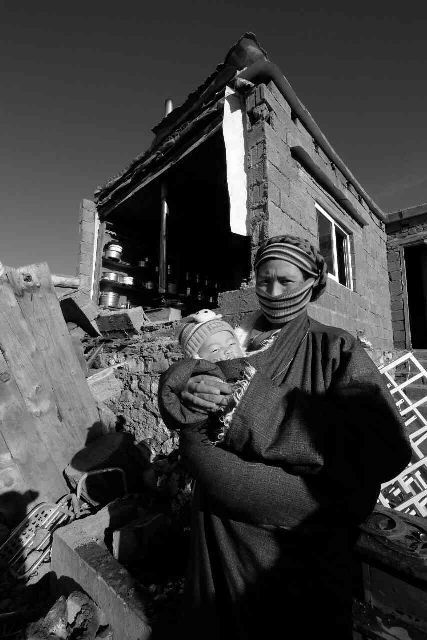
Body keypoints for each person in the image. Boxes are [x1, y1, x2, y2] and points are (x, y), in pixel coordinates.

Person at [158, 234, 411, 640]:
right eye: (265, 281)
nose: (274, 293)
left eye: (286, 281)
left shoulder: (334, 348)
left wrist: (251, 411)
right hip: (218, 538)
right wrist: (185, 378)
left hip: (291, 557)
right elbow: (189, 389)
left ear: (313, 283)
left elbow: (385, 449)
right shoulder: (235, 338)